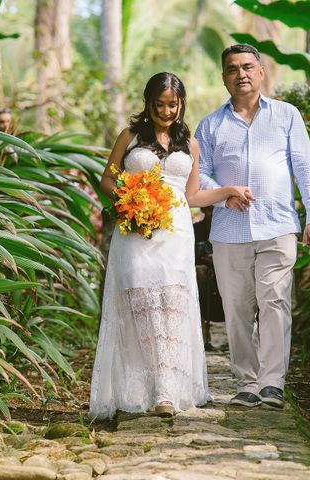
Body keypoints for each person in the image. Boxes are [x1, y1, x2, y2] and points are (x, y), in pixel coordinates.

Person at [89, 72, 253, 419]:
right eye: (160, 104)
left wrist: (227, 191)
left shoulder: (189, 143)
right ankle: (143, 387)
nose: (166, 111)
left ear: (181, 104)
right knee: (141, 301)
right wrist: (128, 198)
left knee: (171, 302)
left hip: (175, 231)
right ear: (148, 103)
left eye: (173, 104)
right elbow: (107, 178)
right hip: (136, 230)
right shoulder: (130, 136)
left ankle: (165, 391)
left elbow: (192, 195)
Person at [195, 44, 310, 410]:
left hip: (278, 225)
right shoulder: (210, 125)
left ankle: (272, 384)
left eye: (248, 67)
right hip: (228, 231)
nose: (241, 75)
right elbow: (198, 174)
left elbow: (305, 169)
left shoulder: (287, 116)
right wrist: (224, 195)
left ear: (262, 72)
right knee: (236, 309)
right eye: (233, 69)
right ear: (224, 77)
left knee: (275, 302)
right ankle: (247, 383)